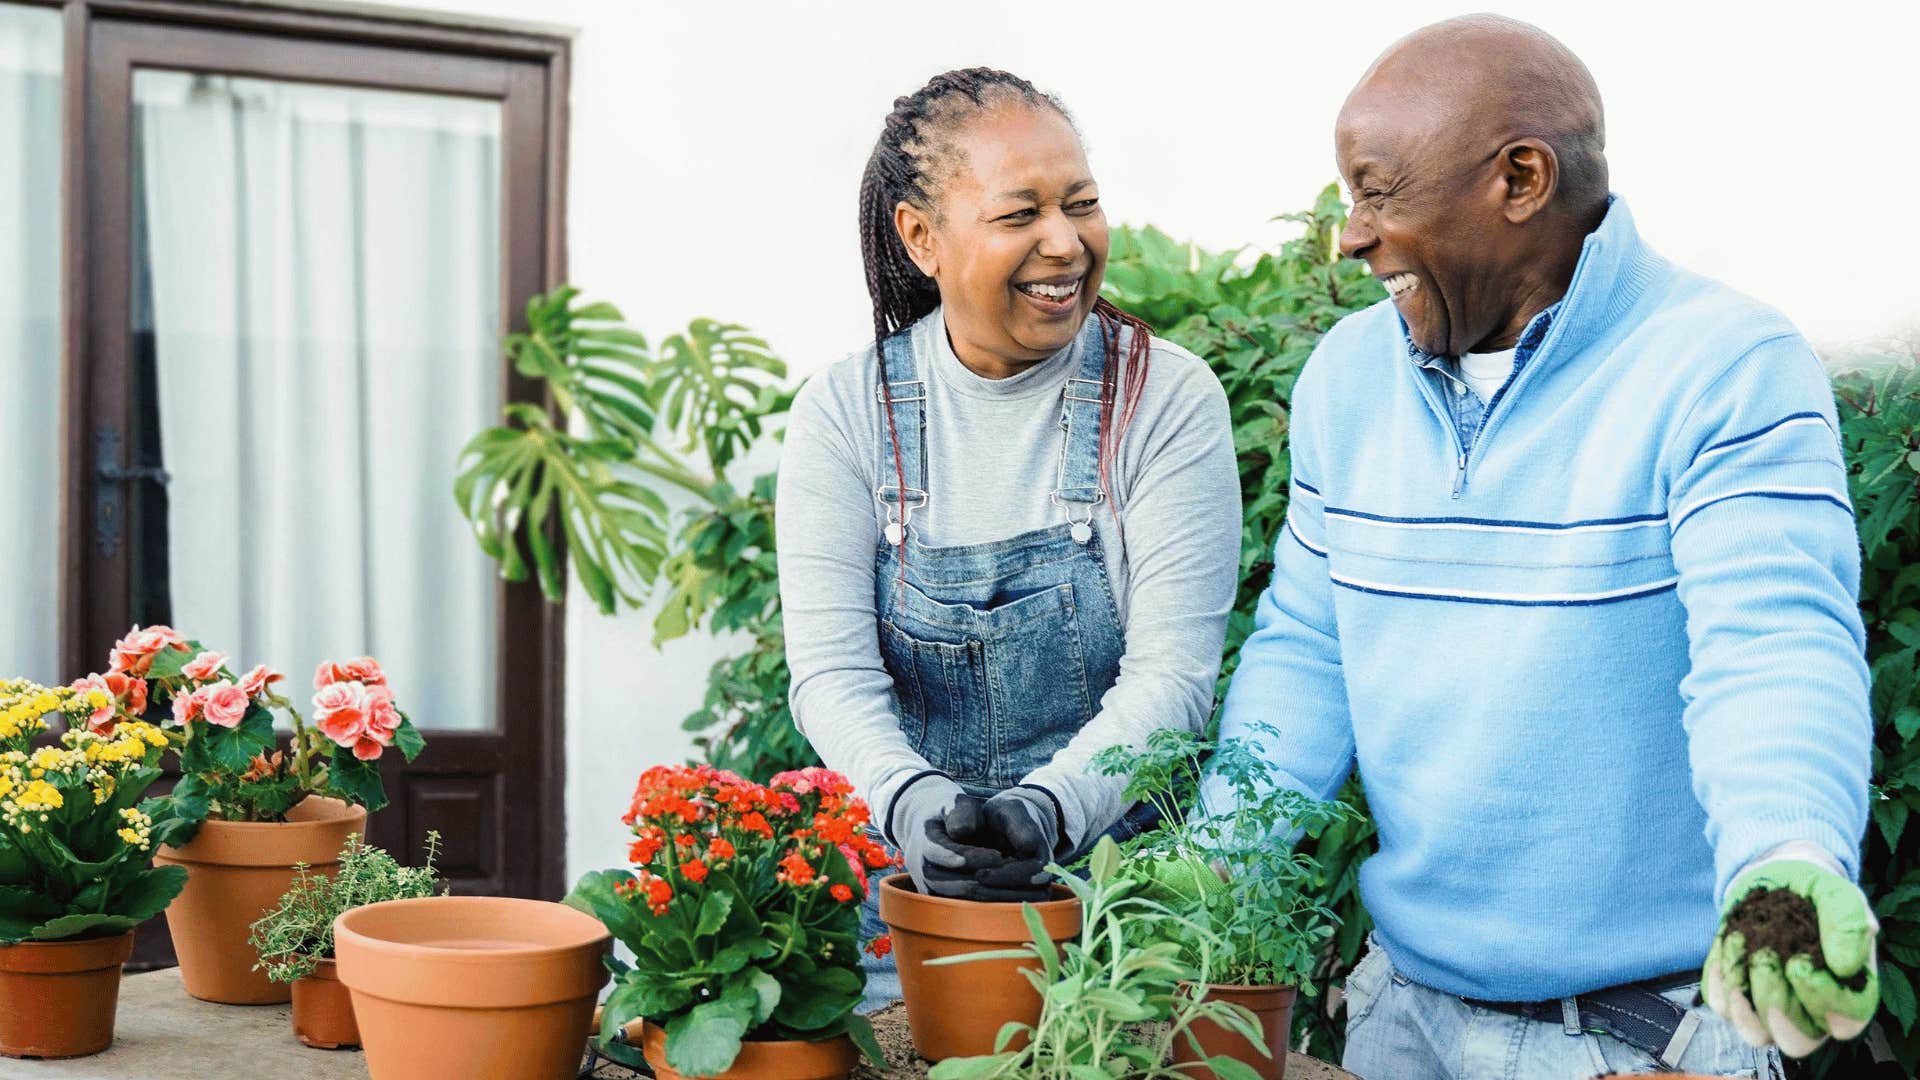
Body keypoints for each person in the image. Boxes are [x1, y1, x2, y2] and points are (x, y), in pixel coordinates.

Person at [1208, 16, 1876, 1078]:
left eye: (1378, 193)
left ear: (1520, 178)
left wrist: (1786, 859)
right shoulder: (1348, 376)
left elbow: (1773, 643)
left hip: (1636, 1042)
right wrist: (1216, 866)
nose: (1351, 234)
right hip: (1402, 1017)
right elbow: (1307, 646)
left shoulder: (1723, 364)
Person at [776, 68, 1241, 1008]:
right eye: (1019, 213)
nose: (1064, 244)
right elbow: (830, 674)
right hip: (903, 910)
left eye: (1082, 204)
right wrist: (912, 807)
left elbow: (1175, 677)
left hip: (1117, 916)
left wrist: (1047, 809)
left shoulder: (1163, 398)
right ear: (921, 238)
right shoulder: (845, 413)